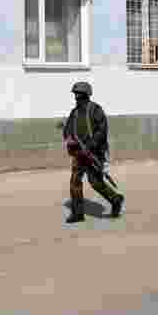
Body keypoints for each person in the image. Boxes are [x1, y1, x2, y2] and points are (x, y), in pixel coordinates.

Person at [61, 82, 124, 223]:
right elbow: (68, 130)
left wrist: (90, 146)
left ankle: (115, 199)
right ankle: (78, 214)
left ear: (86, 95)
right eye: (75, 94)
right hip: (79, 154)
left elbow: (101, 131)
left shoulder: (95, 110)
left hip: (94, 153)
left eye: (79, 94)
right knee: (75, 181)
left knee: (95, 182)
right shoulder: (75, 112)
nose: (76, 97)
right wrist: (68, 138)